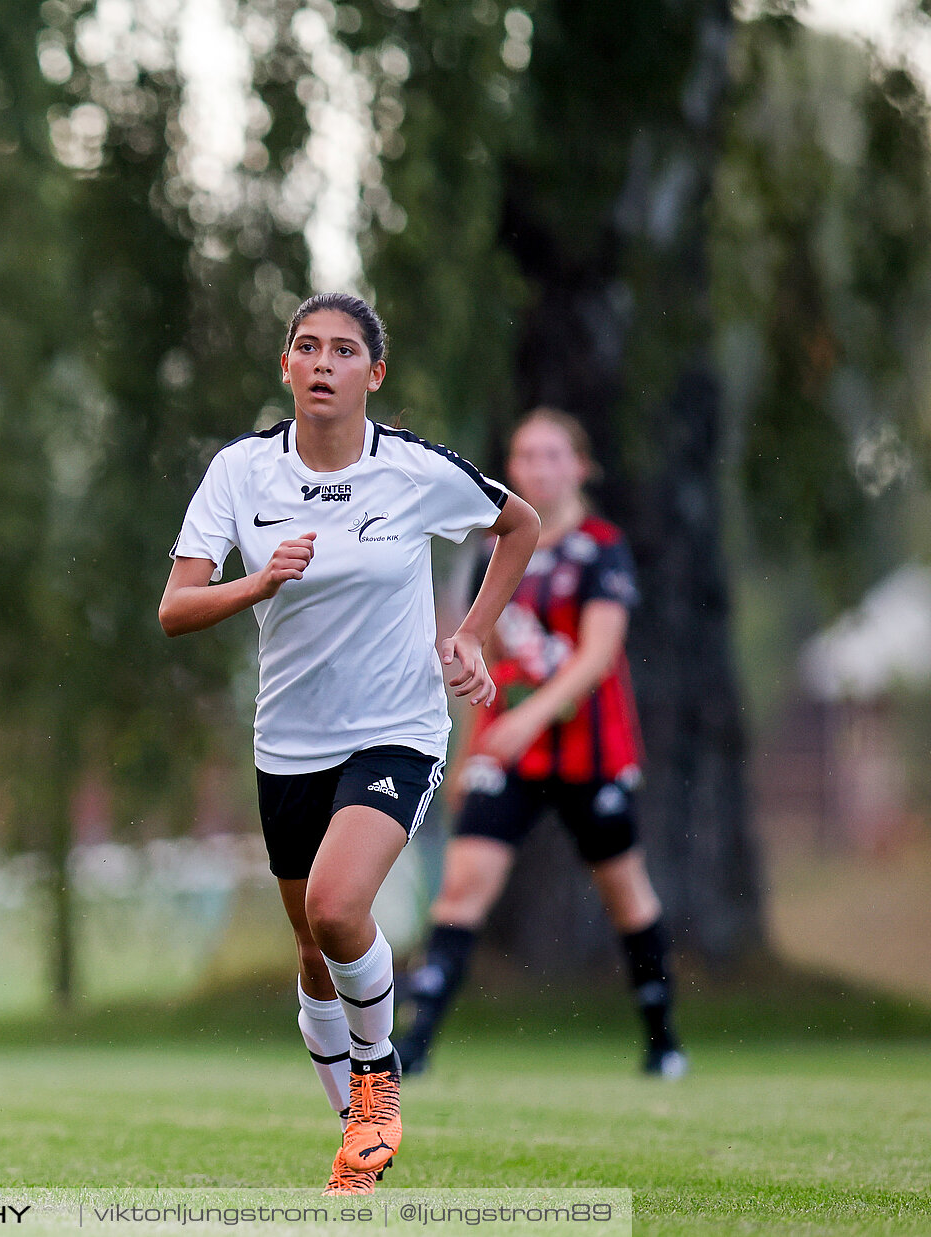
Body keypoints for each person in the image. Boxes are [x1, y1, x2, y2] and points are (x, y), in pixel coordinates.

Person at [159, 293, 539, 1195]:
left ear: (374, 374)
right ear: (285, 369)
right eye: (305, 347)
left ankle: (378, 1084)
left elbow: (518, 525)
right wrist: (259, 582)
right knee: (310, 952)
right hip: (289, 744)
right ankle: (356, 1139)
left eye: (341, 350)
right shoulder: (240, 473)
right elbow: (176, 609)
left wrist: (474, 633)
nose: (322, 363)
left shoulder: (412, 471)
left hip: (396, 731)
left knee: (337, 910)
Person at [395, 409, 686, 1080]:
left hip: (592, 750)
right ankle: (418, 1044)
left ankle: (663, 1041)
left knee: (625, 892)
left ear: (580, 467)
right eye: (525, 456)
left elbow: (597, 657)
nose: (537, 467)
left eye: (553, 455)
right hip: (510, 755)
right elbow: (482, 661)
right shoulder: (495, 555)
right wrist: (469, 756)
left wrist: (531, 717)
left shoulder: (602, 547)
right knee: (463, 886)